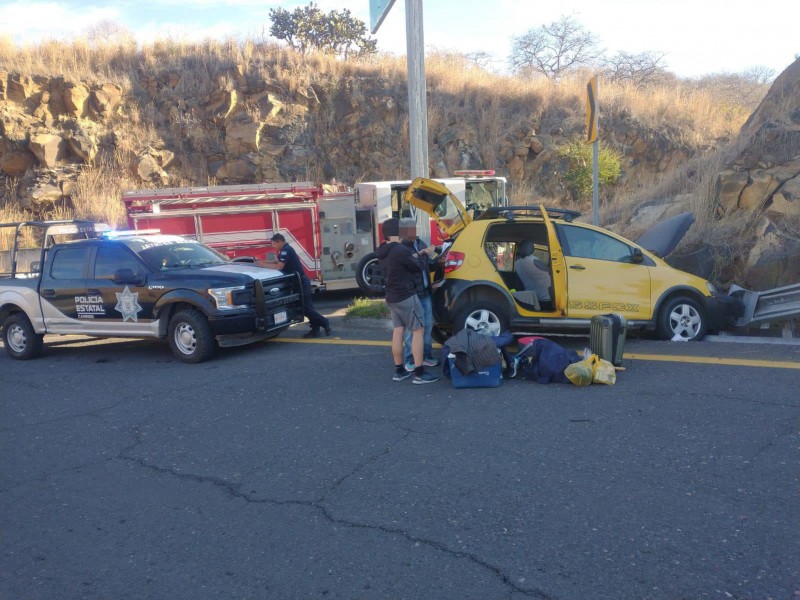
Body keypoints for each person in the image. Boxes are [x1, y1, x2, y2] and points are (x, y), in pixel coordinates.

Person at [374, 218, 439, 384]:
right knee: (418, 331)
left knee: (398, 332)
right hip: (407, 296)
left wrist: (420, 253)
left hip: (392, 297)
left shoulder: (383, 250)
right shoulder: (400, 250)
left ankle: (399, 370)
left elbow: (406, 259)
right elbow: (417, 266)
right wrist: (427, 255)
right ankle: (419, 372)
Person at [264, 233, 331, 338]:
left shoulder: (286, 250)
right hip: (299, 282)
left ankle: (324, 322)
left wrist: (262, 265)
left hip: (301, 282)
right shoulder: (285, 249)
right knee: (308, 307)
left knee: (305, 308)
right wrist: (262, 262)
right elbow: (277, 261)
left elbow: (279, 267)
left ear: (279, 242)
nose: (273, 247)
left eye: (274, 244)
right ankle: (315, 330)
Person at [398, 218, 438, 372]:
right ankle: (410, 359)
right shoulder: (402, 249)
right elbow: (413, 266)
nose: (412, 231)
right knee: (412, 329)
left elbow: (426, 264)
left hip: (425, 292)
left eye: (413, 228)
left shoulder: (420, 243)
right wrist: (423, 254)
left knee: (427, 326)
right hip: (412, 294)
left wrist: (437, 261)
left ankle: (426, 355)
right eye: (408, 229)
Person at [514, 241, 552, 308]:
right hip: (546, 299)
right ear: (532, 249)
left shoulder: (517, 263)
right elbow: (552, 273)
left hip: (534, 297)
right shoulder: (534, 260)